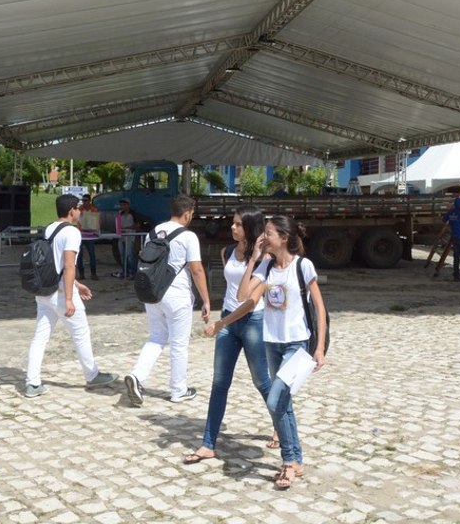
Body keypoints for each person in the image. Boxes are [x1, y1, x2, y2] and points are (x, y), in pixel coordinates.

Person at [237, 215, 327, 490]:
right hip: (271, 343)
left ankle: (288, 461)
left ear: (284, 238)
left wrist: (320, 347)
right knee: (283, 403)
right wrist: (254, 258)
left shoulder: (303, 265)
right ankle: (296, 459)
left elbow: (320, 309)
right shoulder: (266, 268)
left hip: (296, 344)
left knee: (276, 399)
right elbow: (242, 295)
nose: (264, 238)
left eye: (269, 234)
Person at [183, 205, 274, 465]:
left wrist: (220, 324)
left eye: (237, 224)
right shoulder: (227, 252)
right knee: (219, 383)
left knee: (262, 382)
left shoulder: (266, 258)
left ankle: (281, 426)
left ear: (251, 228)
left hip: (251, 321)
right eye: (232, 224)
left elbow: (248, 300)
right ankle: (208, 443)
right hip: (228, 320)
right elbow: (232, 291)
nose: (232, 228)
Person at [24, 194, 117, 398]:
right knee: (81, 333)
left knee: (40, 337)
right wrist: (68, 297)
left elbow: (52, 263)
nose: (80, 212)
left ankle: (32, 382)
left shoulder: (49, 229)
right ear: (72, 210)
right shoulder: (72, 233)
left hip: (45, 290)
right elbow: (67, 265)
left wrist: (77, 283)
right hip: (61, 292)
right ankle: (92, 375)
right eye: (78, 209)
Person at [124, 194, 210, 406]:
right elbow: (196, 269)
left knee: (156, 337)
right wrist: (206, 300)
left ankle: (137, 376)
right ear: (188, 213)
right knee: (179, 344)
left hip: (153, 292)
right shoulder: (188, 236)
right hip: (177, 294)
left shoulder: (153, 232)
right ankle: (178, 389)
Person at [76, 196, 98, 281]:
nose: (84, 202)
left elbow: (96, 222)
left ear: (89, 201)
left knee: (92, 255)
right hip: (80, 236)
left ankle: (93, 274)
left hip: (90, 236)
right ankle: (81, 274)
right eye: (83, 200)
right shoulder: (79, 210)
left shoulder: (94, 209)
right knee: (79, 256)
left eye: (85, 200)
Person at [116, 198, 138, 279]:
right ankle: (125, 271)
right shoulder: (119, 214)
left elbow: (138, 225)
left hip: (130, 236)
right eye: (122, 205)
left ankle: (133, 272)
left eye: (124, 204)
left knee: (129, 255)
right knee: (122, 255)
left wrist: (127, 228)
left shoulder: (133, 214)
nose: (123, 206)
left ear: (128, 205)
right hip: (121, 236)